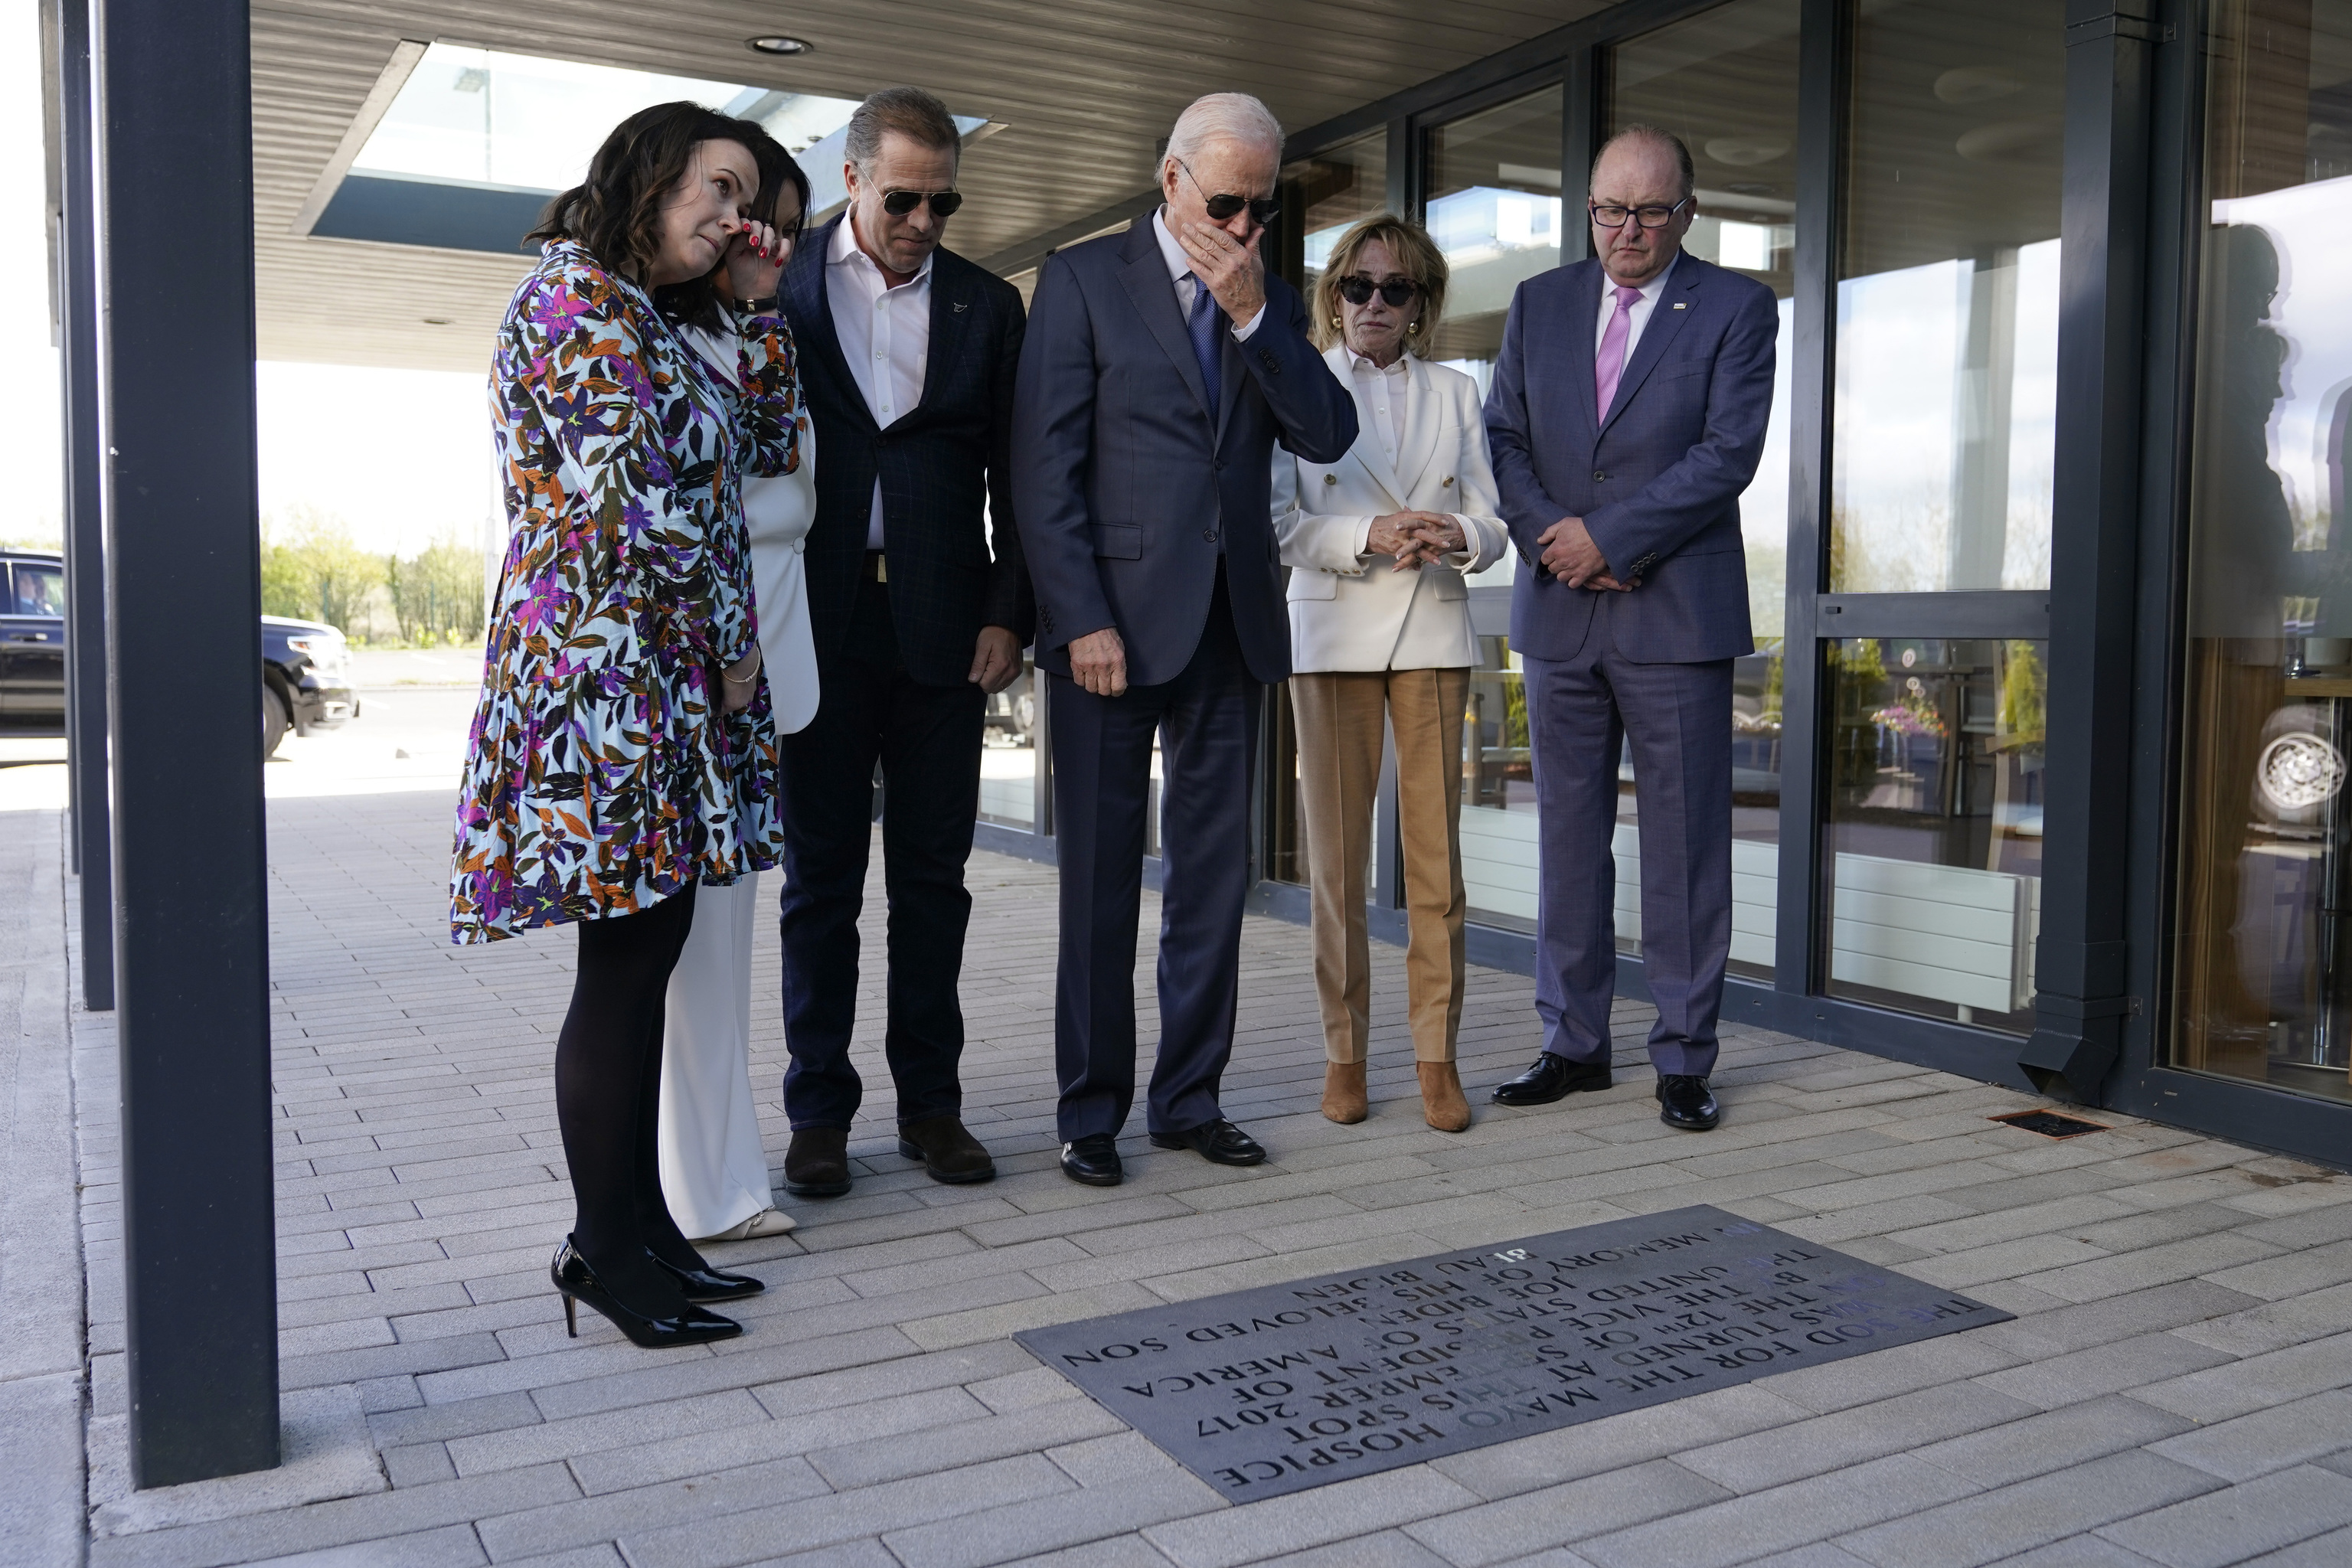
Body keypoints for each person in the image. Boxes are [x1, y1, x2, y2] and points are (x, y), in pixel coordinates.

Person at [450, 102, 799, 1348]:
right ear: (647, 175)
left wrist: (757, 306)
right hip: (602, 666)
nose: (733, 215)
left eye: (748, 196)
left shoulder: (643, 312)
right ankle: (602, 1245)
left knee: (646, 947)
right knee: (621, 957)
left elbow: (758, 449)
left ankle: (639, 1224)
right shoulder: (574, 303)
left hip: (648, 665)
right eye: (717, 186)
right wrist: (734, 639)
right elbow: (630, 512)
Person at [1014, 92, 1357, 1187]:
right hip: (1110, 634)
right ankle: (1090, 1114)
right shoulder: (1079, 280)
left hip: (1232, 629)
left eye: (1264, 208)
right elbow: (1042, 472)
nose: (1248, 226)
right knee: (1102, 885)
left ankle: (1189, 1100)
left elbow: (1329, 431)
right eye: (1228, 204)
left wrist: (1258, 318)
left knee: (1214, 882)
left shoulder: (1269, 294)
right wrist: (1080, 620)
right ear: (1171, 184)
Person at [1482, 124, 1777, 1134]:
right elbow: (1505, 438)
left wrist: (1605, 539)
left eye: (1651, 211)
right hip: (1559, 616)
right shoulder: (1539, 302)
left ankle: (1685, 1057)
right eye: (1610, 209)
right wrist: (1552, 541)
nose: (1628, 231)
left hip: (1674, 613)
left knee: (1684, 848)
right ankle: (1573, 1042)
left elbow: (1728, 452)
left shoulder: (1737, 306)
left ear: (1687, 213)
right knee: (1569, 841)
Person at [771, 87, 1031, 1199]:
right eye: (904, 199)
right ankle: (818, 1114)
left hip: (944, 628)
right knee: (819, 885)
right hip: (817, 629)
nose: (925, 221)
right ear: (851, 180)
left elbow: (1020, 476)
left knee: (933, 882)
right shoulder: (778, 286)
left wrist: (1009, 613)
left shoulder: (986, 305)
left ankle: (932, 1107)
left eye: (944, 202)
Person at [1272, 214, 1508, 1133]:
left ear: (1420, 304)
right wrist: (1363, 534)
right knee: (1335, 866)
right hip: (1332, 631)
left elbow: (1493, 515)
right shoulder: (1299, 383)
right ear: (1334, 296)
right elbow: (1280, 521)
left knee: (1434, 868)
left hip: (1433, 631)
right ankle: (1345, 1053)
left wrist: (1459, 533)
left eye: (1396, 289)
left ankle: (1436, 1058)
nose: (1375, 302)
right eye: (1359, 286)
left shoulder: (1456, 391)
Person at [655, 131, 815, 1245]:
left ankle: (724, 1179)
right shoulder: (642, 330)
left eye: (783, 226)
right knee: (671, 962)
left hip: (753, 686)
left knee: (725, 946)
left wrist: (759, 309)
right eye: (749, 209)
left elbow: (771, 474)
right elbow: (725, 502)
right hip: (685, 673)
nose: (764, 236)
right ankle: (689, 1193)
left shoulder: (751, 332)